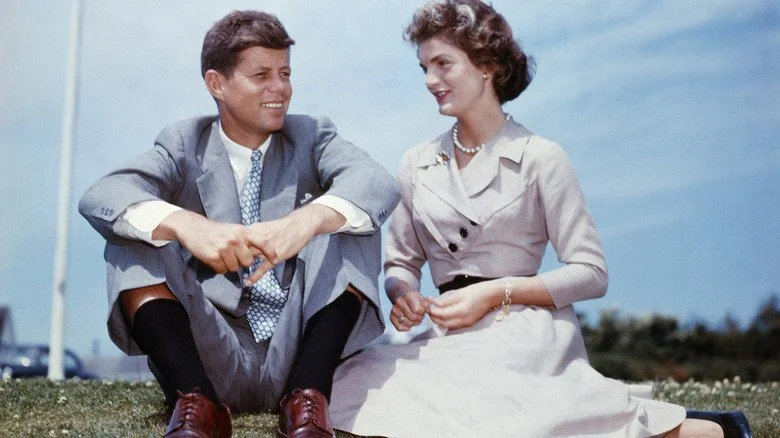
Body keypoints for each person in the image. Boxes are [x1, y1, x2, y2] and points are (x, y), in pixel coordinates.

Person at [328, 1, 742, 437]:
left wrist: (493, 295)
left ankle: (706, 432)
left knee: (492, 411)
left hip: (524, 330)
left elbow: (592, 273)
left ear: (486, 64)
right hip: (446, 337)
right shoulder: (416, 163)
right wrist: (403, 292)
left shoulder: (542, 157)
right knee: (349, 387)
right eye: (424, 68)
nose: (430, 81)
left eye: (443, 64)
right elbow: (401, 262)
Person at [79, 10, 399, 438]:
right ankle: (194, 405)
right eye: (262, 74)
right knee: (134, 228)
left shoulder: (311, 135)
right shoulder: (183, 143)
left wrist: (305, 221)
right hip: (211, 351)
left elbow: (377, 182)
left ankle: (308, 404)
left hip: (299, 351)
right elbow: (103, 195)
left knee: (346, 217)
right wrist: (185, 224)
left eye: (285, 73)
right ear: (217, 84)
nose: (280, 88)